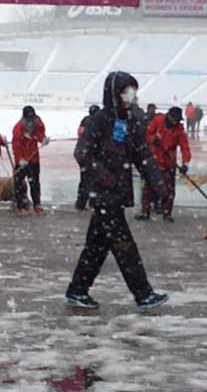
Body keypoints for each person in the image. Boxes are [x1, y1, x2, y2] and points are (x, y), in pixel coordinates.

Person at [66, 71, 169, 311]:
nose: (130, 94)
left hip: (116, 195)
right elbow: (82, 153)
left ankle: (78, 290)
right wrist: (106, 176)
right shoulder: (99, 120)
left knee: (97, 246)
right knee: (124, 246)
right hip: (104, 196)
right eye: (125, 90)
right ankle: (143, 294)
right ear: (115, 93)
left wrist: (158, 184)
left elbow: (142, 155)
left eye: (132, 89)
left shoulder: (131, 121)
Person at [137, 106, 191, 222]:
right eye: (174, 119)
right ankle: (145, 211)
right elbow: (147, 134)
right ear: (169, 116)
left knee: (169, 190)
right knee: (148, 188)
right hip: (154, 161)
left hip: (168, 162)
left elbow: (185, 147)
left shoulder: (179, 130)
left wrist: (185, 163)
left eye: (178, 120)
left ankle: (167, 212)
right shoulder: (157, 120)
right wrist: (153, 139)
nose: (176, 122)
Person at [12, 106, 50, 215]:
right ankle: (21, 206)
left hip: (33, 158)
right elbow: (16, 146)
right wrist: (20, 160)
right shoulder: (18, 128)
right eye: (28, 119)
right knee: (19, 183)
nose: (31, 122)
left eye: (32, 118)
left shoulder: (37, 122)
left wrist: (43, 139)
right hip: (22, 160)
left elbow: (40, 133)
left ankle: (37, 205)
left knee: (35, 182)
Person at [75, 105, 100, 210]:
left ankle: (81, 202)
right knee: (93, 179)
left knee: (85, 179)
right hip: (89, 154)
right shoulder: (96, 123)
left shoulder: (85, 121)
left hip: (81, 153)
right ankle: (92, 202)